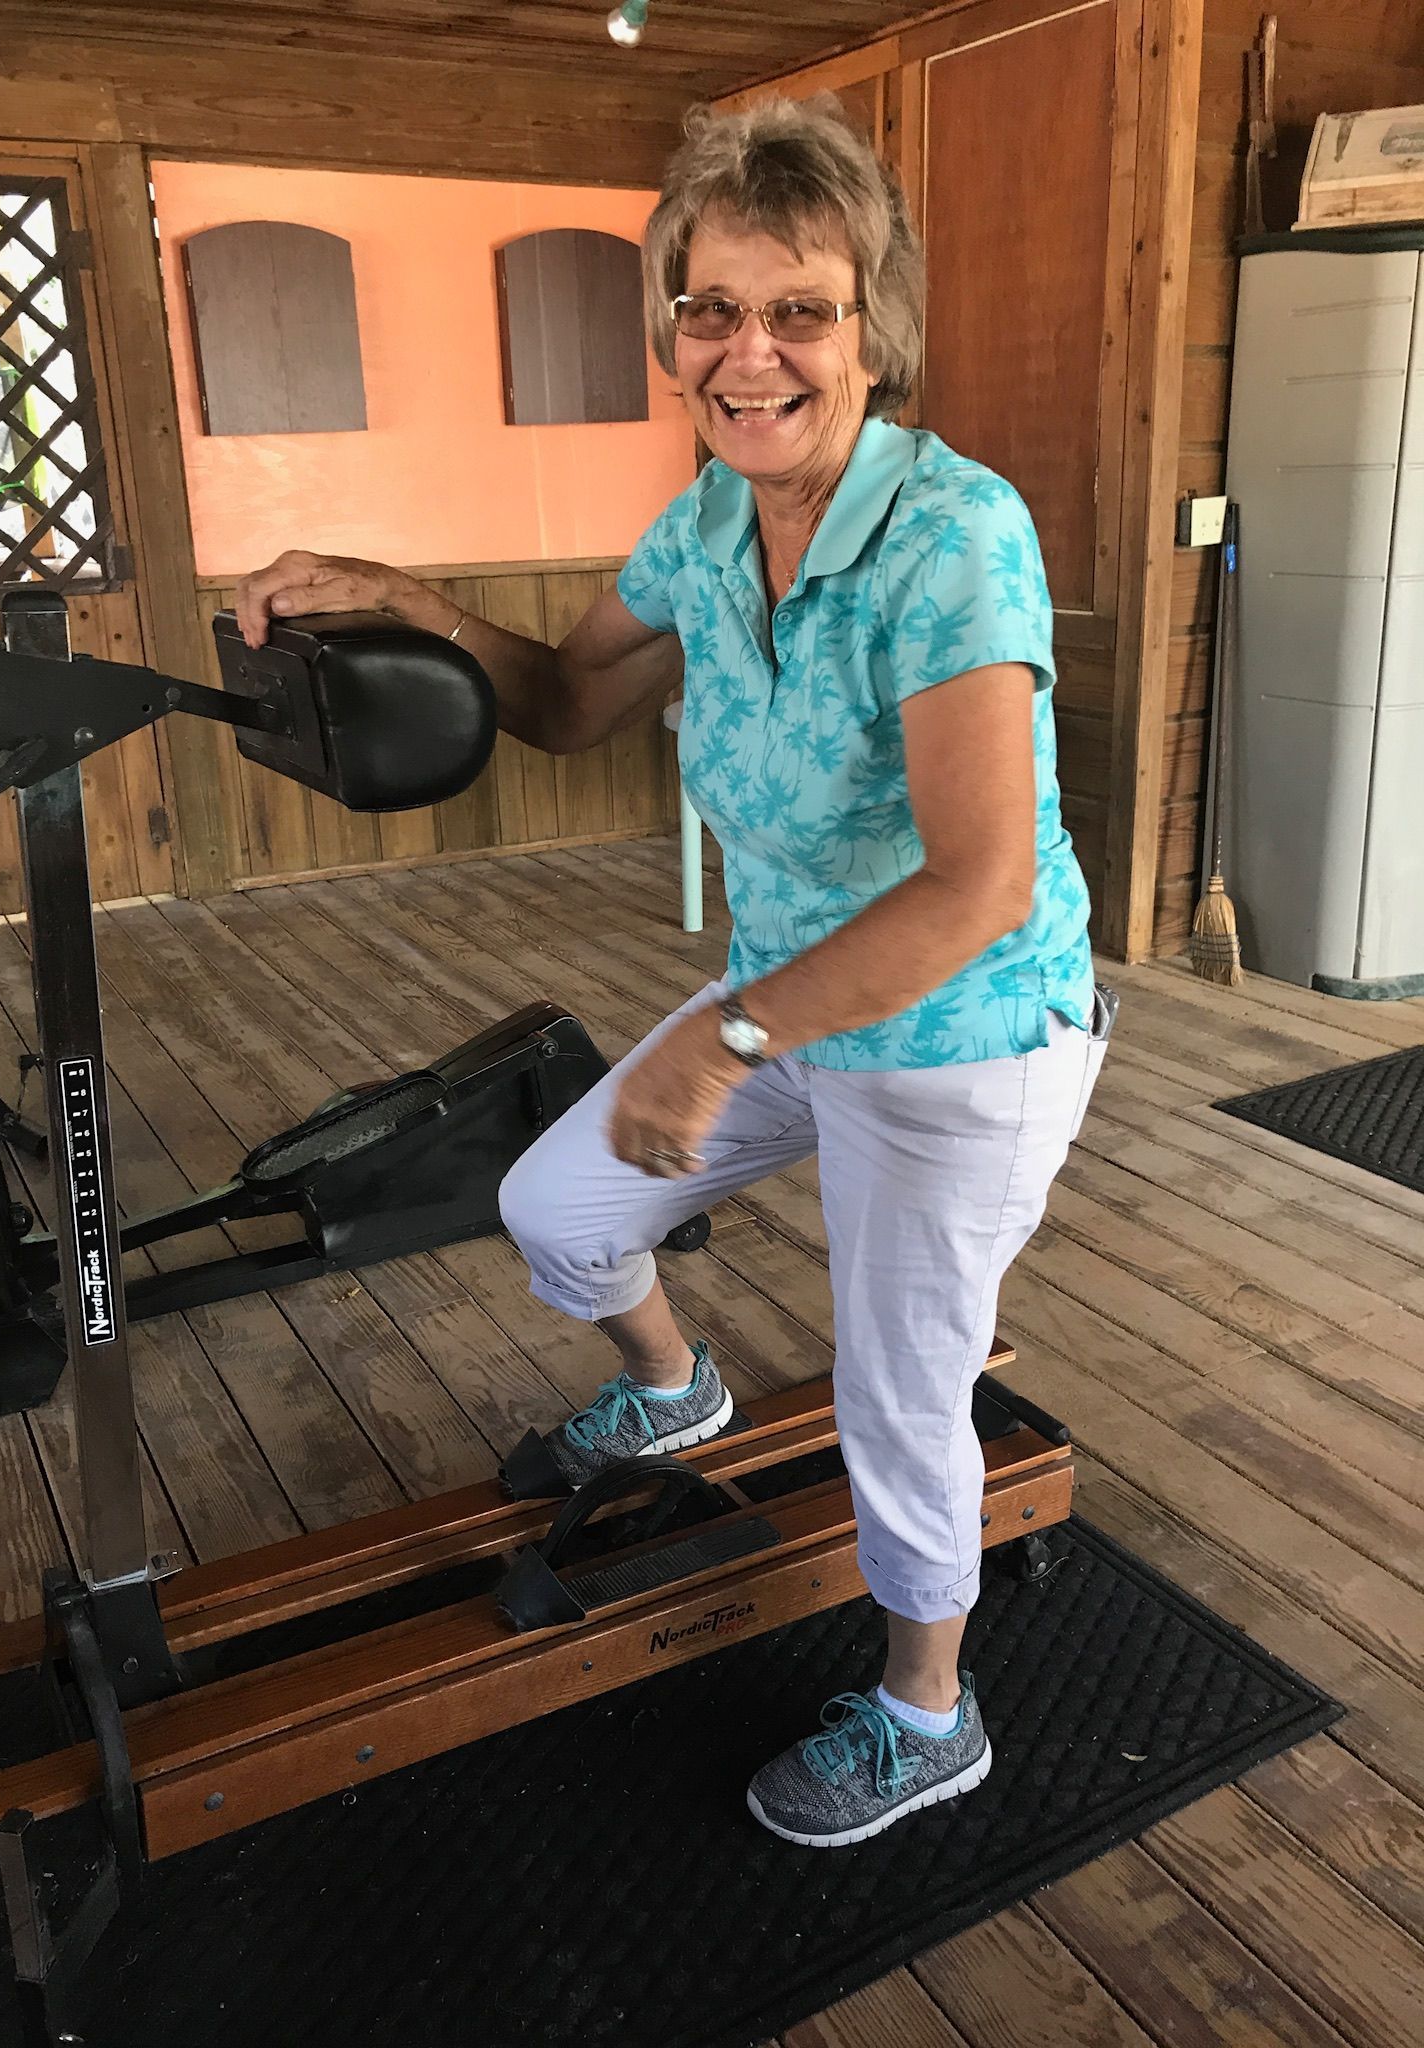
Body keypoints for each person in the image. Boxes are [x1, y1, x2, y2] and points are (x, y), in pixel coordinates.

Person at [236, 95, 1111, 1850]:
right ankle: (675, 1385)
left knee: (899, 1393)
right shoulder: (707, 527)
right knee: (558, 1204)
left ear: (875, 330)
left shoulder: (954, 536)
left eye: (800, 309)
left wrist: (727, 1031)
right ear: (673, 337)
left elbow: (978, 888)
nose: (750, 350)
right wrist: (406, 596)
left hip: (961, 1035)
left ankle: (929, 1713)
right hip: (787, 1005)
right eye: (710, 310)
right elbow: (564, 701)